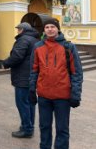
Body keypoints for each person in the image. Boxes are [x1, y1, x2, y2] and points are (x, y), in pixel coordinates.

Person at [29, 18, 83, 149]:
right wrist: (31, 90)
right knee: (44, 127)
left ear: (57, 29)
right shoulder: (38, 47)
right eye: (47, 27)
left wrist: (75, 94)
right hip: (44, 96)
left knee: (62, 129)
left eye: (52, 27)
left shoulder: (68, 47)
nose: (49, 29)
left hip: (62, 97)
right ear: (44, 30)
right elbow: (33, 70)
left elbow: (76, 73)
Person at [3, 22, 39, 138]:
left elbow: (17, 56)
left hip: (22, 77)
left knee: (22, 103)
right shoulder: (34, 40)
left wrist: (5, 63)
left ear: (23, 30)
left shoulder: (23, 40)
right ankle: (29, 125)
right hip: (31, 76)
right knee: (30, 103)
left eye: (18, 29)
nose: (17, 31)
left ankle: (27, 129)